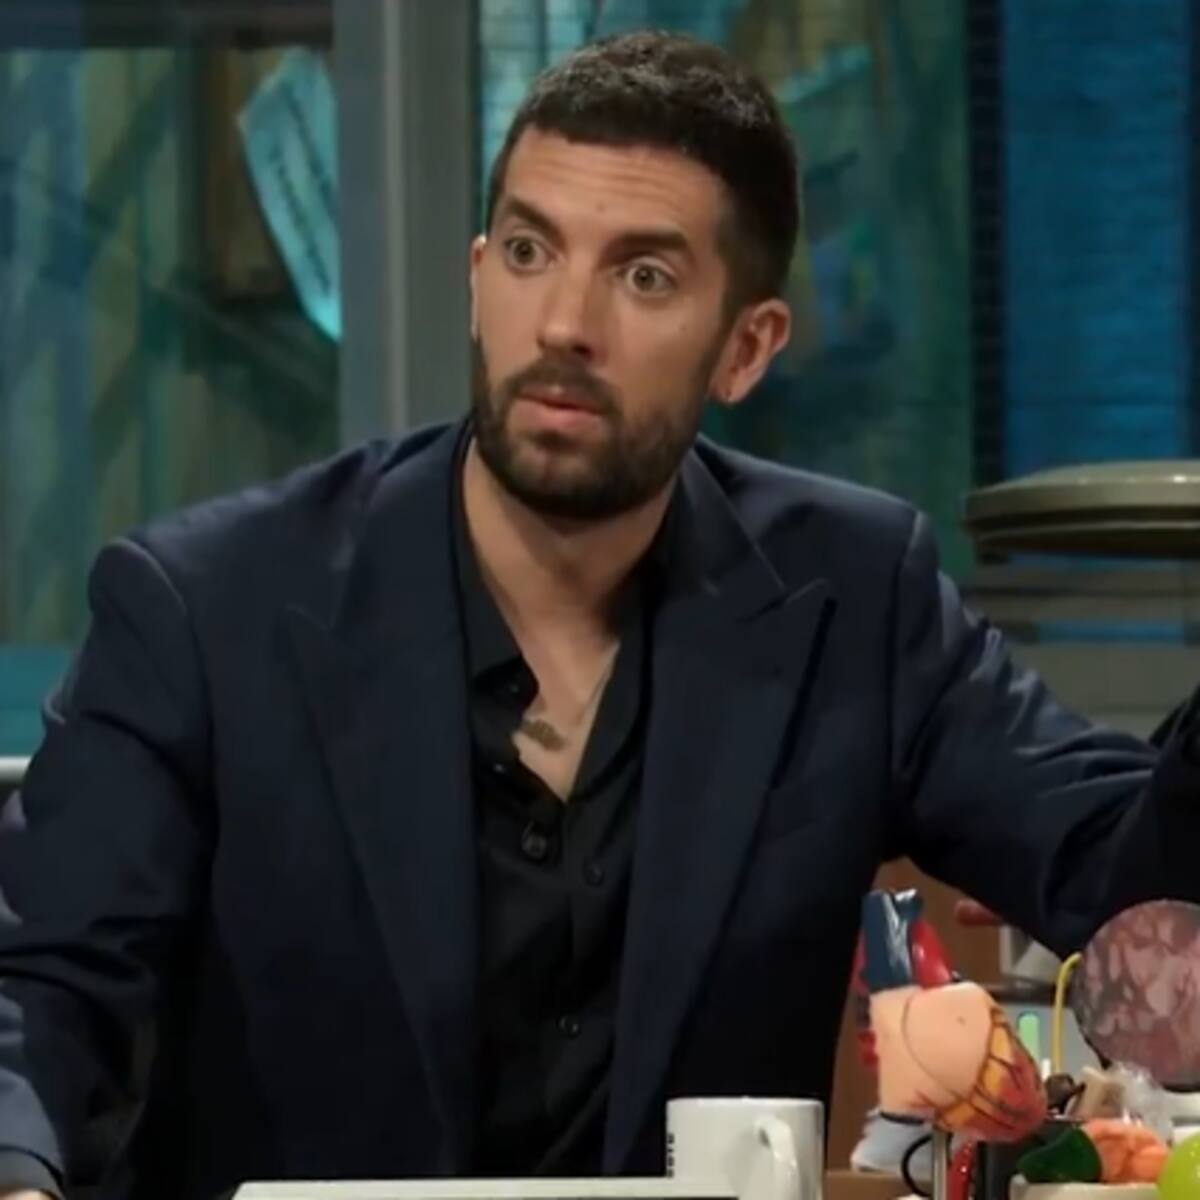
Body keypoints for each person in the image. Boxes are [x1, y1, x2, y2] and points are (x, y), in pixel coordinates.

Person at [1, 28, 1199, 1200]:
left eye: (644, 276)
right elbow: (40, 990)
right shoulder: (210, 611)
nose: (566, 322)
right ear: (478, 281)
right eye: (530, 252)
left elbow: (1128, 885)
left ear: (746, 348)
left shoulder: (854, 599)